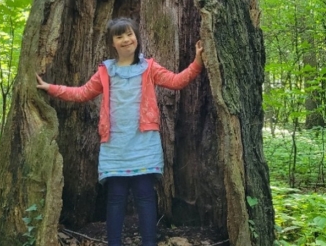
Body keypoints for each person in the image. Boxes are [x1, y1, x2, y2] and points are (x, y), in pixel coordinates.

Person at [36, 17, 203, 246]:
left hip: (144, 141)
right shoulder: (106, 71)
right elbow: (82, 93)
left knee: (145, 196)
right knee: (115, 198)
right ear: (112, 42)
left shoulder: (149, 67)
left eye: (129, 34)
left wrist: (198, 62)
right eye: (119, 36)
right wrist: (51, 88)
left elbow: (175, 81)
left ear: (136, 37)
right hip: (114, 144)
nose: (126, 39)